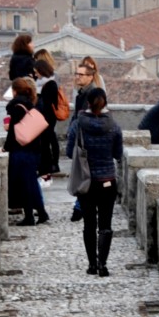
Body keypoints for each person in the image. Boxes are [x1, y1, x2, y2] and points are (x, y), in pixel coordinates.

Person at [66, 87, 123, 276]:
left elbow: (68, 152)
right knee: (105, 224)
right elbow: (118, 154)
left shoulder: (78, 125)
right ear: (105, 102)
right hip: (107, 180)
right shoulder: (114, 125)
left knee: (89, 223)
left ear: (87, 103)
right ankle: (103, 265)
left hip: (86, 181)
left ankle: (91, 264)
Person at [3, 77, 49, 225]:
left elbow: (13, 132)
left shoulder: (16, 107)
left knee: (24, 185)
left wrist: (6, 147)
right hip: (34, 149)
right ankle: (41, 213)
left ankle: (29, 216)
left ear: (14, 91)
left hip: (21, 150)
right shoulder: (30, 104)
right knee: (31, 183)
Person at [68, 57, 103, 222]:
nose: (77, 77)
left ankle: (80, 208)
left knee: (84, 175)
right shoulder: (82, 93)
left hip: (87, 141)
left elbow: (86, 118)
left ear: (90, 77)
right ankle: (81, 206)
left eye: (81, 75)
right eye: (76, 74)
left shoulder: (92, 93)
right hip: (81, 139)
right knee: (83, 175)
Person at [33, 49, 63, 179]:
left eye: (36, 71)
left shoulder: (50, 84)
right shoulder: (47, 82)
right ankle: (50, 166)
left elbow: (47, 103)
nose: (35, 74)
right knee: (48, 140)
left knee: (47, 141)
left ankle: (49, 167)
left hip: (47, 117)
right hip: (47, 117)